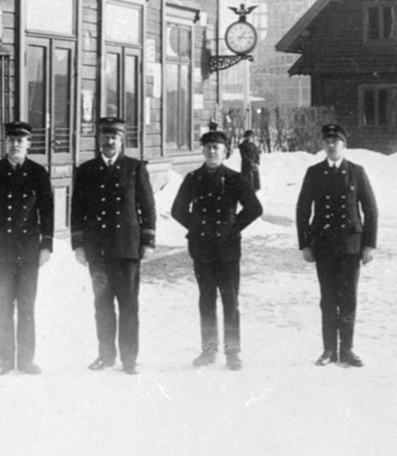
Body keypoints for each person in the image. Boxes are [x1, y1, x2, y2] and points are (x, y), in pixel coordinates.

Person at [71, 116, 157, 374]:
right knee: (102, 304)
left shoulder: (134, 168)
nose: (110, 142)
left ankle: (129, 359)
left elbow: (148, 207)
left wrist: (148, 240)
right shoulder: (85, 170)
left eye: (115, 137)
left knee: (129, 305)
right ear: (99, 140)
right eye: (105, 137)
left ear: (122, 141)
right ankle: (106, 355)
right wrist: (78, 244)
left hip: (126, 249)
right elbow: (77, 210)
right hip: (97, 251)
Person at [171, 130, 263, 370]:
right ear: (202, 150)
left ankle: (233, 353)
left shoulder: (234, 178)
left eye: (217, 148)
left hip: (228, 249)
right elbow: (178, 210)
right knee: (206, 300)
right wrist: (197, 226)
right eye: (208, 147)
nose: (212, 151)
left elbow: (254, 208)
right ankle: (209, 351)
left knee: (230, 301)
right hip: (202, 249)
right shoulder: (192, 178)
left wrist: (233, 228)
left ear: (225, 152)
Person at [296, 123, 378, 368]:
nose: (331, 145)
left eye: (336, 141)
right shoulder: (314, 173)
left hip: (351, 245)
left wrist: (369, 245)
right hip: (324, 245)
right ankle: (329, 349)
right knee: (328, 298)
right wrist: (305, 244)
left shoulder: (356, 172)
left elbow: (371, 210)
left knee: (349, 298)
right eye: (327, 141)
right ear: (322, 145)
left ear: (344, 145)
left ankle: (348, 349)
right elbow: (302, 210)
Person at [0, 121, 54, 376]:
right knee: (4, 306)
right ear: (5, 142)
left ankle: (27, 360)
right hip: (1, 251)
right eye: (11, 140)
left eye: (21, 141)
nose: (16, 145)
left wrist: (46, 246)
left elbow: (47, 212)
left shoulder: (38, 173)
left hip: (30, 251)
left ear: (29, 143)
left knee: (27, 306)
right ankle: (6, 360)